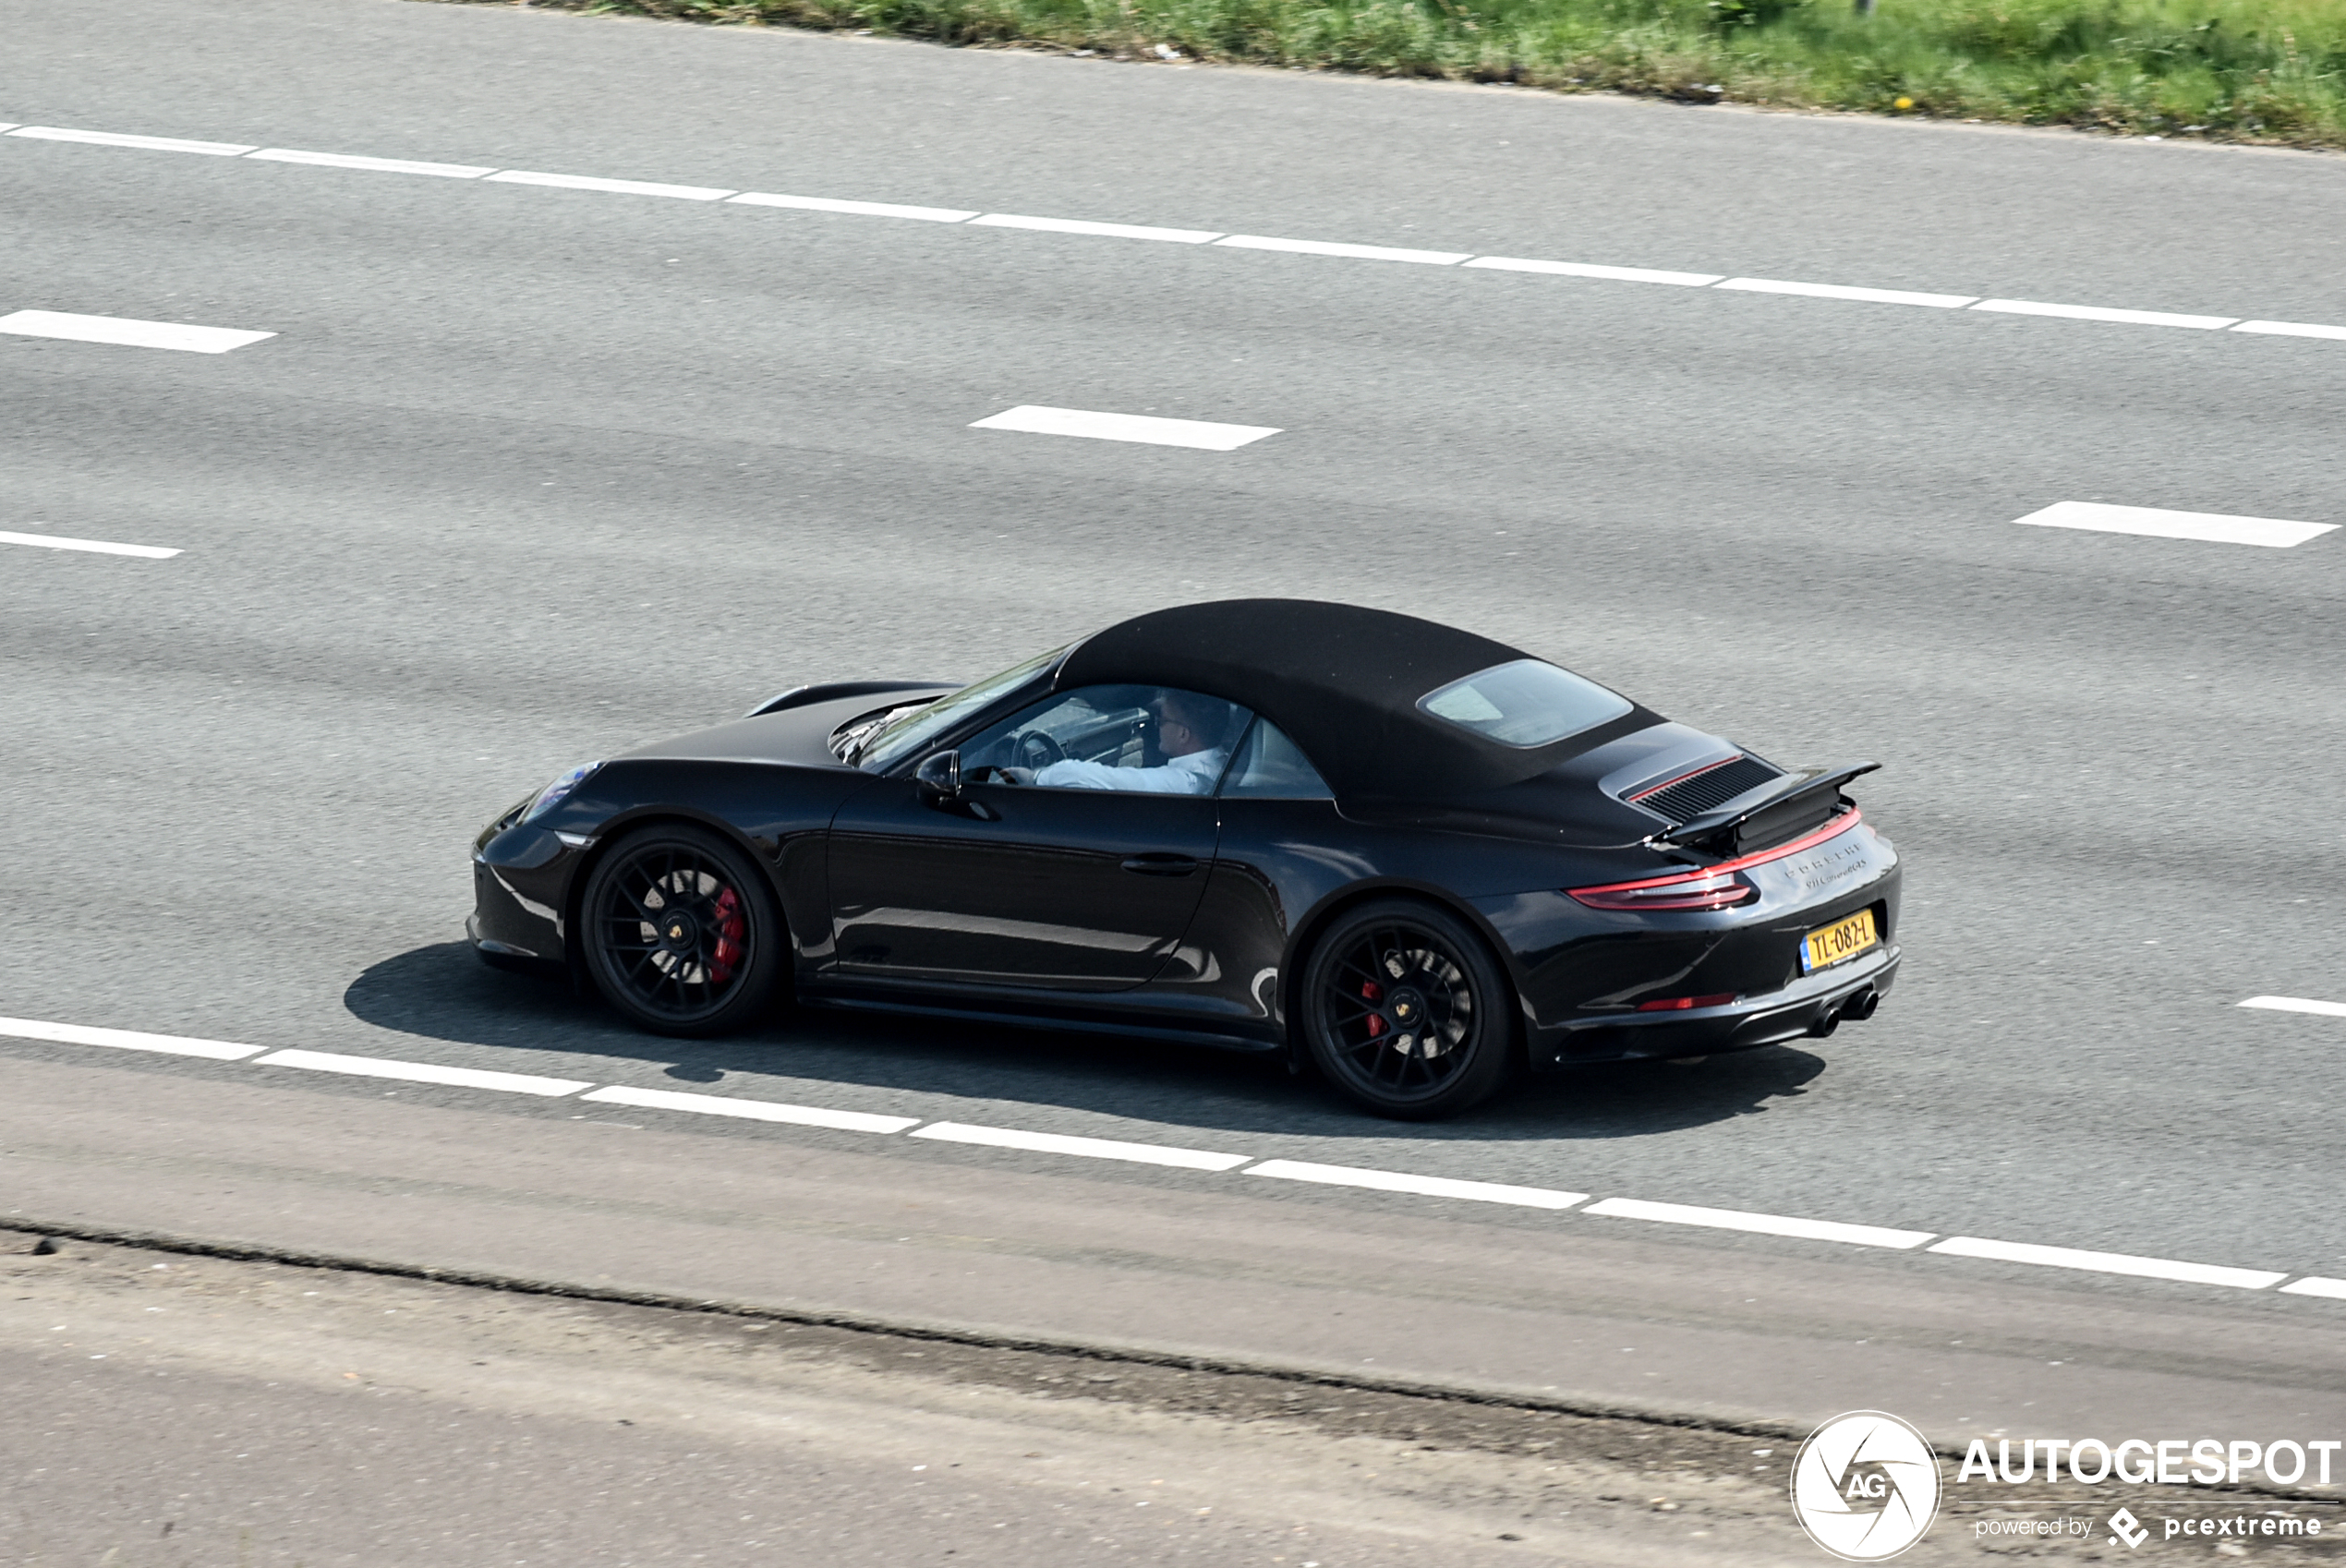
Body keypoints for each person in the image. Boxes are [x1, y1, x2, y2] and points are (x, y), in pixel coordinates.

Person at [1021, 691, 1232, 794]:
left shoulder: (1183, 783)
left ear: (1183, 735)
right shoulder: (1225, 765)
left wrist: (1036, 776)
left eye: (1163, 720)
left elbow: (1105, 779)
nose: (1156, 724)